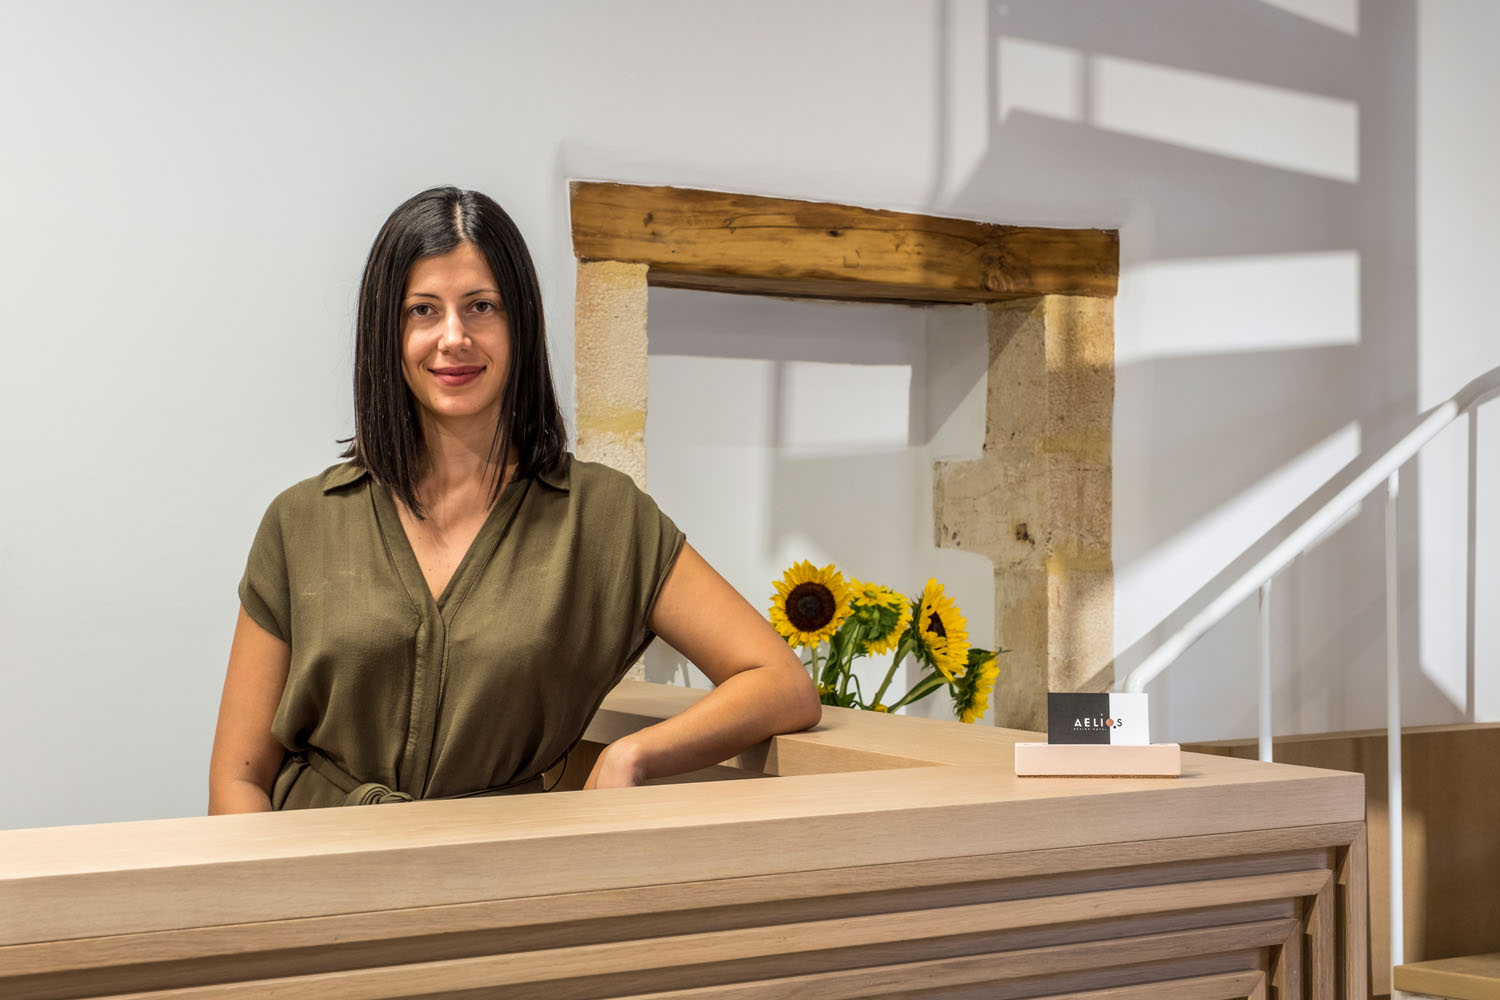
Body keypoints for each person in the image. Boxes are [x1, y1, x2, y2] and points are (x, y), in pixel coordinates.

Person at [208, 187, 820, 812]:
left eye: (481, 306)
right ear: (386, 331)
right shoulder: (301, 523)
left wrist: (632, 754)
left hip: (502, 876)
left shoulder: (602, 518)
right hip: (319, 874)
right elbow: (239, 778)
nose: (454, 337)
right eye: (423, 310)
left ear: (520, 324)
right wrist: (280, 901)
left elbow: (780, 683)